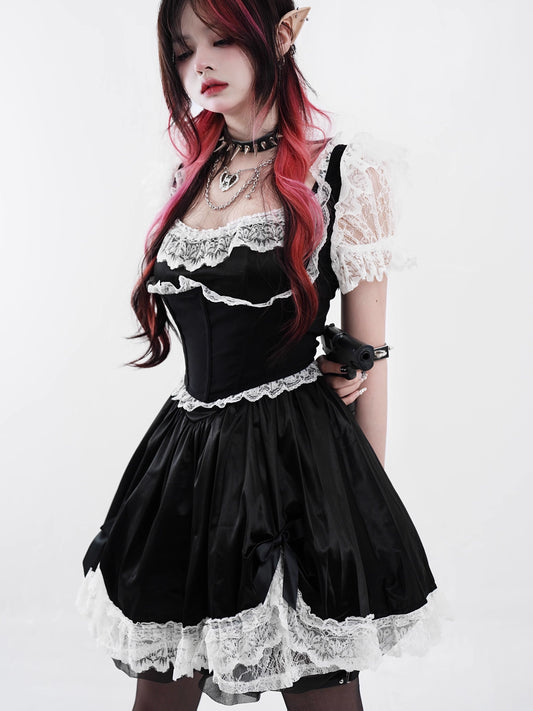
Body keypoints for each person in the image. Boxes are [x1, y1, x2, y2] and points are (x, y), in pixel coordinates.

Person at [76, 1, 447, 709]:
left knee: (322, 695)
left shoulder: (343, 174)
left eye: (221, 39)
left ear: (279, 35)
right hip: (185, 466)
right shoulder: (186, 174)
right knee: (160, 694)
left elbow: (368, 355)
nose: (200, 65)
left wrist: (359, 517)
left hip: (296, 469)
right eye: (184, 48)